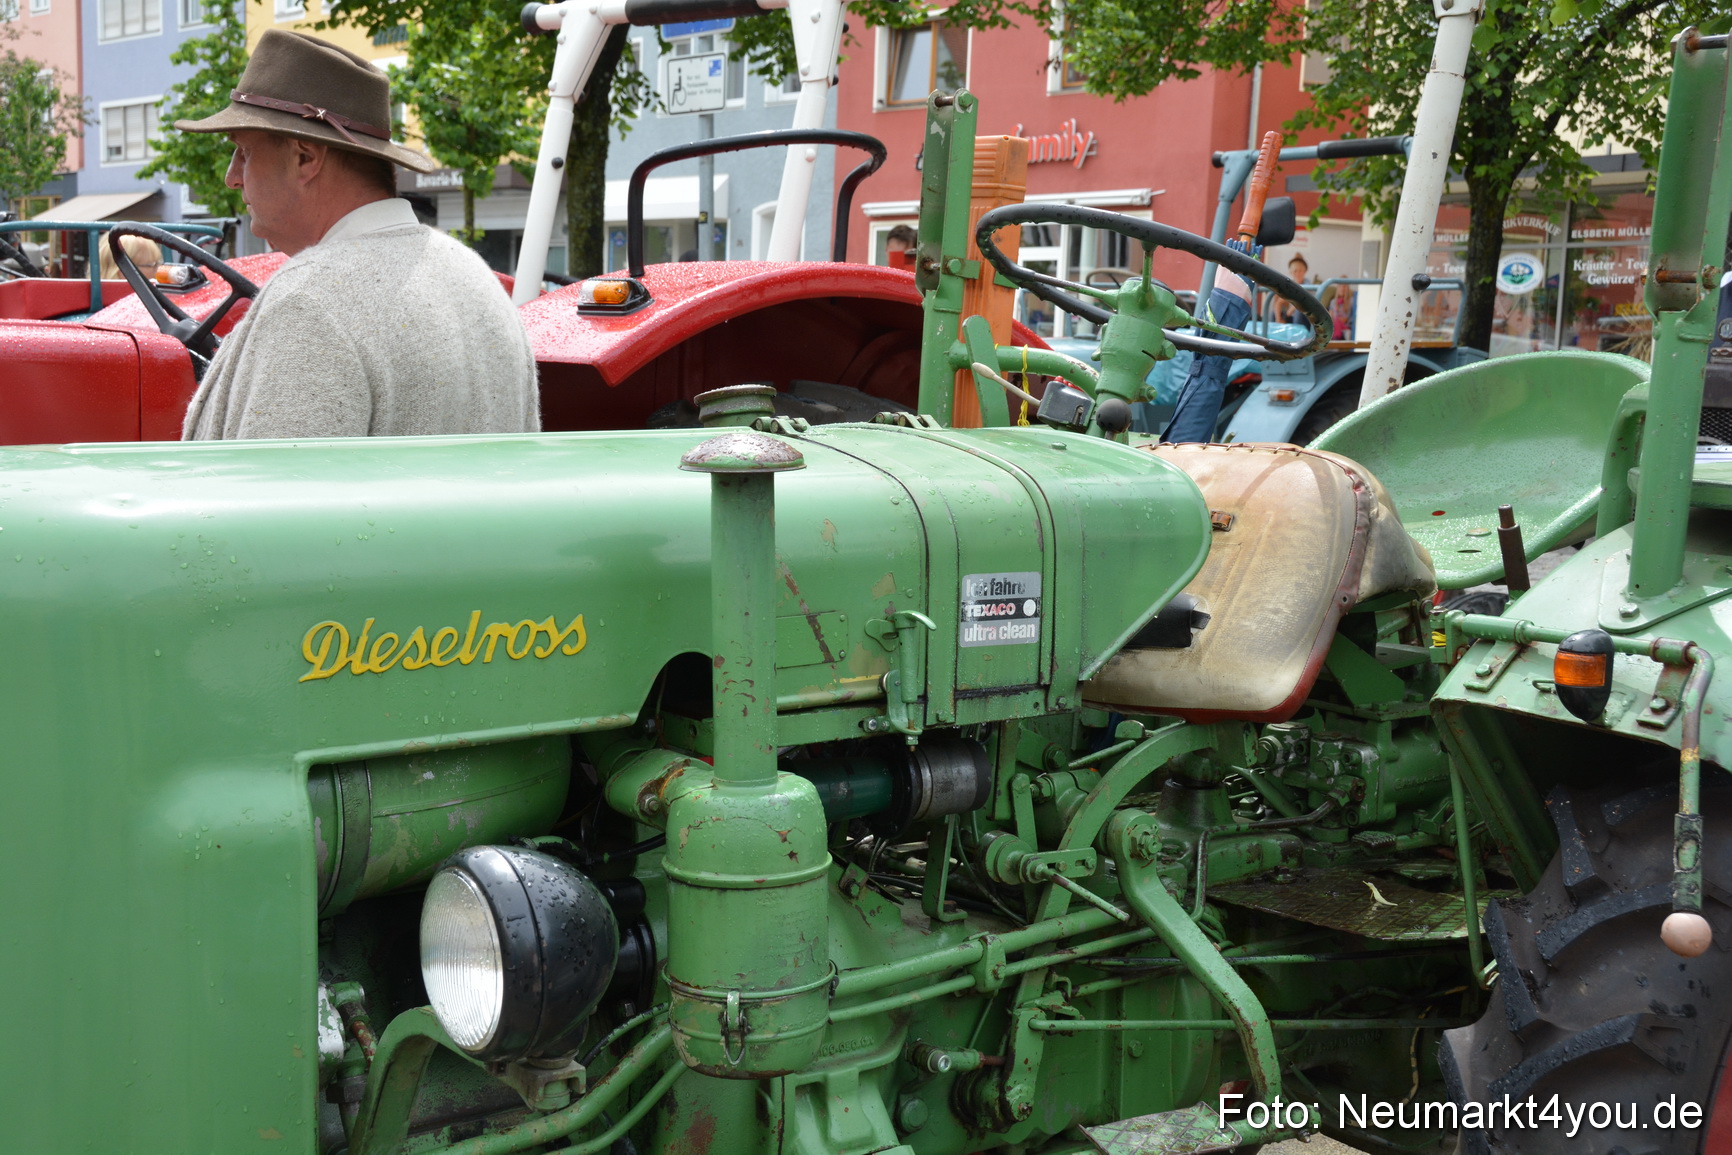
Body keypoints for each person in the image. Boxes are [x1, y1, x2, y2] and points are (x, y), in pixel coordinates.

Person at [173, 30, 539, 440]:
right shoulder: (477, 278)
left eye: (244, 151)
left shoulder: (310, 302)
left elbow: (272, 495)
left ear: (305, 157)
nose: (232, 178)